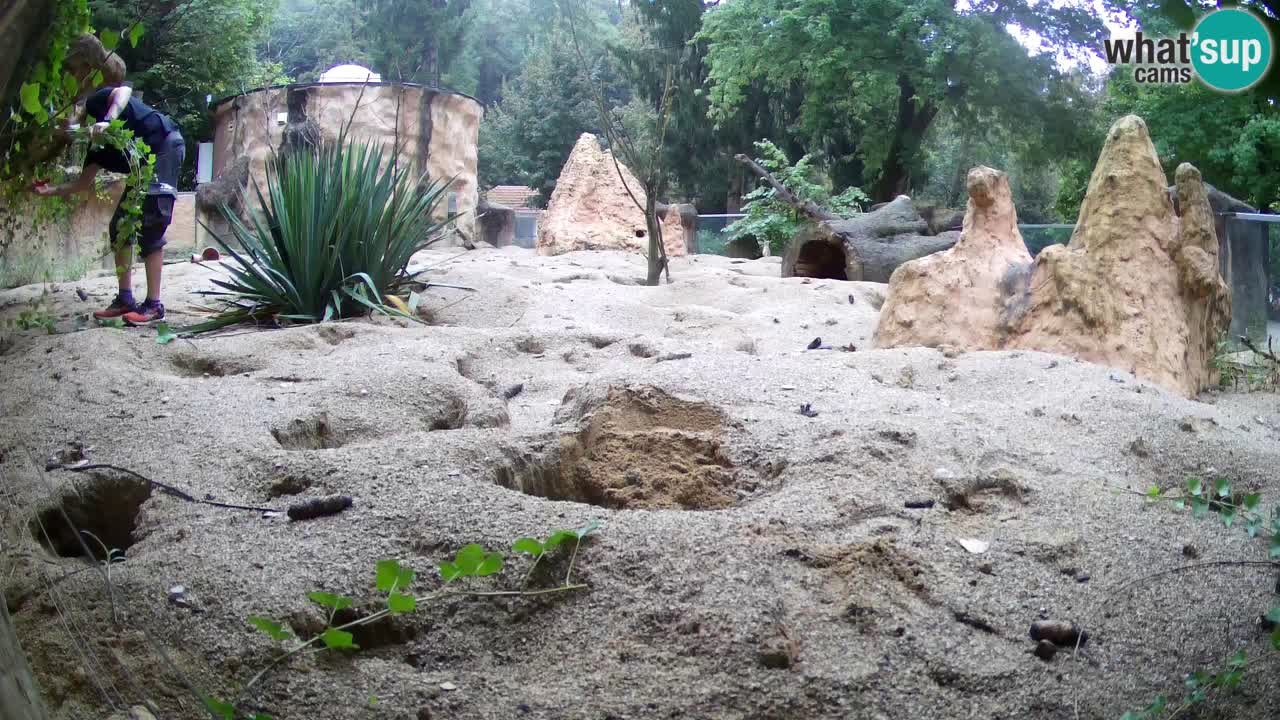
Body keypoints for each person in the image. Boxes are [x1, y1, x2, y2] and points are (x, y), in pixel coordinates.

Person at [35, 83, 185, 326]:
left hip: (164, 147)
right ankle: (125, 300)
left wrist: (108, 119)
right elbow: (81, 184)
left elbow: (124, 90)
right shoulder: (95, 148)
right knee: (119, 227)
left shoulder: (98, 104)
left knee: (152, 223)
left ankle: (154, 306)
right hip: (142, 168)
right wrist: (47, 191)